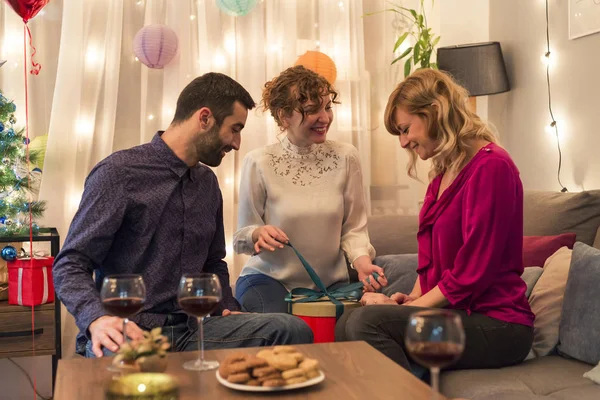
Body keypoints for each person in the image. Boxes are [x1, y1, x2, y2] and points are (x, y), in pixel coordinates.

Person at [53, 72, 313, 358]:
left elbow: (214, 262)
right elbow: (70, 264)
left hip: (194, 329)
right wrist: (97, 318)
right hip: (130, 333)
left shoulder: (207, 184)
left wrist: (226, 306)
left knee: (291, 329)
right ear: (204, 118)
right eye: (234, 129)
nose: (237, 143)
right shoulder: (119, 173)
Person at [335, 68, 535, 371]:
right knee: (348, 319)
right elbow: (432, 261)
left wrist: (414, 308)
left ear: (434, 112)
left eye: (405, 129)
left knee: (366, 324)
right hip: (453, 315)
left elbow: (473, 271)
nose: (403, 143)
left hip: (497, 324)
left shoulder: (492, 166)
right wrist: (411, 298)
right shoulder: (440, 176)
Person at [233, 65, 387, 314]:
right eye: (312, 110)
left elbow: (354, 229)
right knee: (288, 330)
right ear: (284, 116)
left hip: (331, 285)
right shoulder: (258, 161)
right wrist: (256, 234)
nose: (324, 118)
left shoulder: (346, 157)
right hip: (270, 281)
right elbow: (241, 236)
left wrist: (362, 263)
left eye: (327, 107)